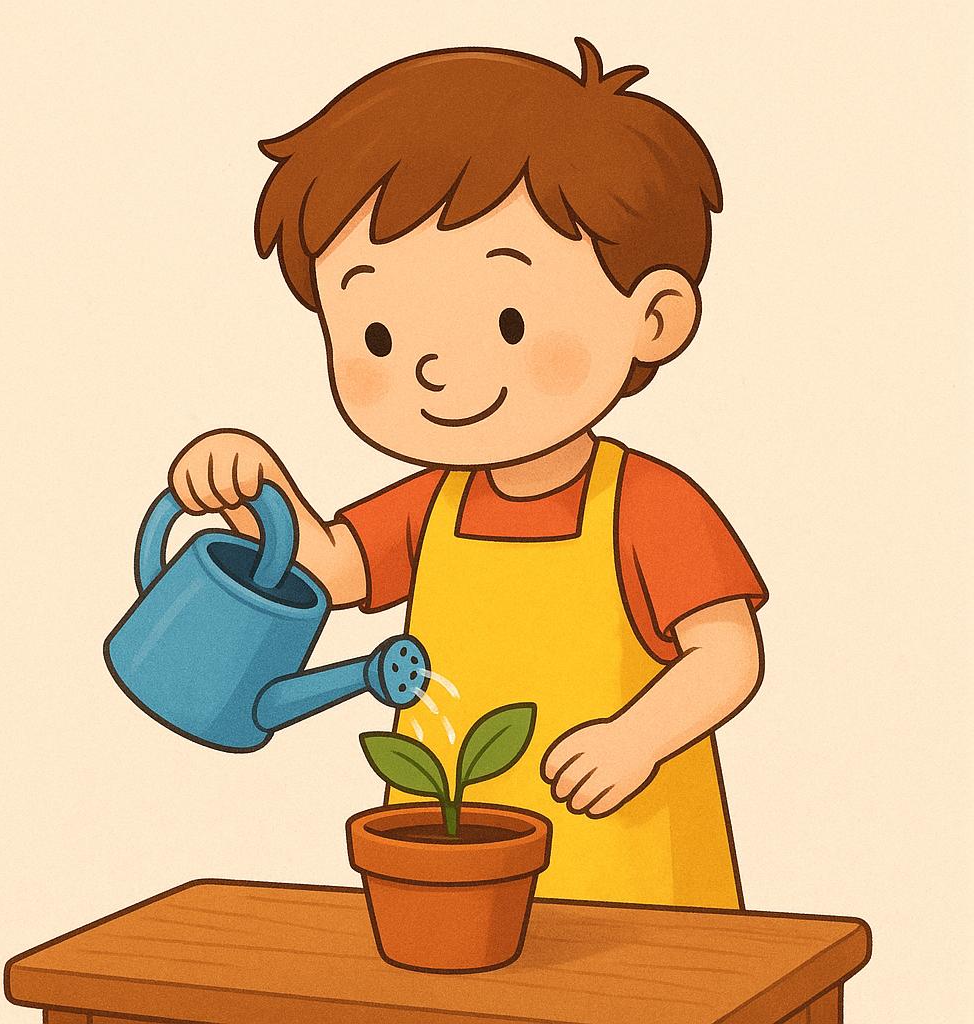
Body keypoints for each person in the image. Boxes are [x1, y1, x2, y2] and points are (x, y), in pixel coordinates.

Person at [170, 38, 767, 908]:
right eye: (378, 335)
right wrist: (259, 486)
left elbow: (728, 654)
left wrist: (637, 739)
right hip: (441, 877)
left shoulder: (649, 507)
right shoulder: (434, 505)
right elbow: (329, 569)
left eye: (511, 319)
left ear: (656, 318)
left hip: (628, 885)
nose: (434, 369)